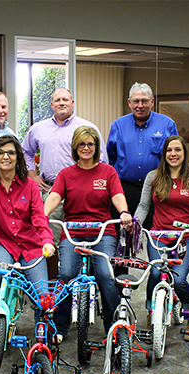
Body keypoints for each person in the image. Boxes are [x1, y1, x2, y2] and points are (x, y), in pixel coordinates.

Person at [44, 126, 132, 336]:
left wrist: (124, 212)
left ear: (96, 146)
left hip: (103, 231)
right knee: (66, 275)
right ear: (75, 147)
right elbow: (55, 197)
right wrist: (42, 215)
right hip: (73, 232)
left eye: (90, 144)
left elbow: (117, 195)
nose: (86, 148)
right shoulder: (66, 174)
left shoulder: (107, 172)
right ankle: (61, 327)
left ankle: (113, 326)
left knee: (105, 275)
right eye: (82, 144)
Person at [134, 135, 189, 338]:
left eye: (177, 150)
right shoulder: (153, 177)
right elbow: (144, 206)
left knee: (179, 279)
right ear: (164, 153)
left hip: (187, 237)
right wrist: (136, 222)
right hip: (159, 234)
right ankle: (153, 312)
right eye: (169, 150)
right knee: (154, 274)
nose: (173, 154)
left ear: (184, 153)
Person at [0, 136, 55, 295]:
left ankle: (41, 318)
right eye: (1, 153)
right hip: (3, 242)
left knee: (42, 294)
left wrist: (47, 241)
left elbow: (39, 217)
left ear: (18, 158)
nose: (5, 157)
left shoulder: (30, 185)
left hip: (31, 244)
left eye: (11, 153)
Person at [22, 88, 108, 244]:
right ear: (52, 105)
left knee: (81, 240)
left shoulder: (87, 127)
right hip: (50, 190)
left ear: (72, 103)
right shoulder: (38, 129)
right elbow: (25, 152)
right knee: (50, 239)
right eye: (57, 100)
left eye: (65, 100)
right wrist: (32, 175)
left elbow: (101, 160)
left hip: (80, 192)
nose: (61, 103)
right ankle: (56, 269)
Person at [107, 82, 178, 222]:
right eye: (136, 101)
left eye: (144, 101)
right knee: (124, 232)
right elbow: (111, 157)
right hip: (126, 189)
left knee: (155, 232)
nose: (140, 105)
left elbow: (175, 157)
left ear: (152, 102)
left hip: (157, 188)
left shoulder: (167, 124)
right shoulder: (118, 125)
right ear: (129, 102)